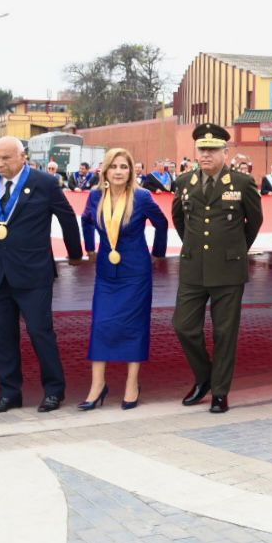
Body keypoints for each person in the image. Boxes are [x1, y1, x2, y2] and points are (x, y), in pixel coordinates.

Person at [0, 136, 84, 413]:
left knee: (40, 333)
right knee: (1, 336)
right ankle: (9, 392)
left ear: (22, 156)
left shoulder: (44, 183)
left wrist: (75, 253)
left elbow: (67, 217)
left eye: (6, 158)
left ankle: (54, 390)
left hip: (33, 273)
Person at [172, 124, 262, 413]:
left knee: (225, 332)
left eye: (212, 149)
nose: (206, 154)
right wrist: (194, 247)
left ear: (226, 151)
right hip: (193, 267)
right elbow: (180, 221)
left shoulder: (242, 183)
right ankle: (204, 377)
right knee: (184, 326)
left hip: (228, 269)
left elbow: (254, 222)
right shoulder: (184, 181)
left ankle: (220, 391)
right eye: (202, 149)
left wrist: (234, 250)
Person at [79, 148, 168, 410]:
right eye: (114, 166)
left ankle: (132, 383)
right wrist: (90, 248)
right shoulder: (96, 196)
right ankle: (98, 385)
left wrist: (158, 253)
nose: (119, 171)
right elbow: (85, 220)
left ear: (131, 171)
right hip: (107, 272)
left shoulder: (141, 197)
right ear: (105, 171)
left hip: (136, 272)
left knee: (134, 325)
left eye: (124, 167)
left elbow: (161, 223)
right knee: (101, 324)